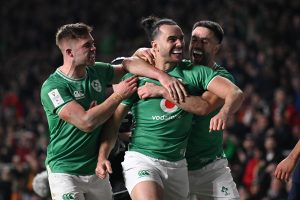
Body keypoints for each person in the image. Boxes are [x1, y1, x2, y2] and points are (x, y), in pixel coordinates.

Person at [96, 16, 243, 200]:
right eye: (193, 39)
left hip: (202, 165)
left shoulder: (207, 75)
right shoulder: (144, 72)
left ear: (216, 48)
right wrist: (103, 155)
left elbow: (205, 106)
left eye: (204, 41)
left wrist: (162, 91)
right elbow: (123, 66)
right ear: (155, 47)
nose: (189, 44)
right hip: (149, 159)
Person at [40, 22, 186, 200]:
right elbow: (86, 122)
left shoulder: (96, 71)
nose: (94, 48)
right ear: (69, 53)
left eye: (93, 43)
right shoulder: (53, 87)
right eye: (87, 46)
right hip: (65, 171)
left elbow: (127, 66)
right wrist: (118, 96)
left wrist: (160, 74)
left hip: (96, 168)